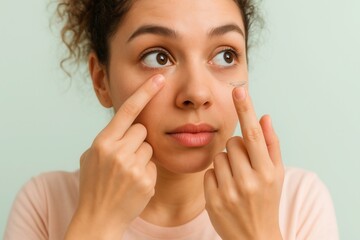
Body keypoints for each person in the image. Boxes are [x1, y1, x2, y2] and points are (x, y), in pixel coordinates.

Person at [4, 0, 339, 239]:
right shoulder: (45, 204)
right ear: (101, 80)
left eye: (226, 55)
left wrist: (259, 234)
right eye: (158, 56)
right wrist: (96, 224)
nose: (196, 92)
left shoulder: (299, 202)